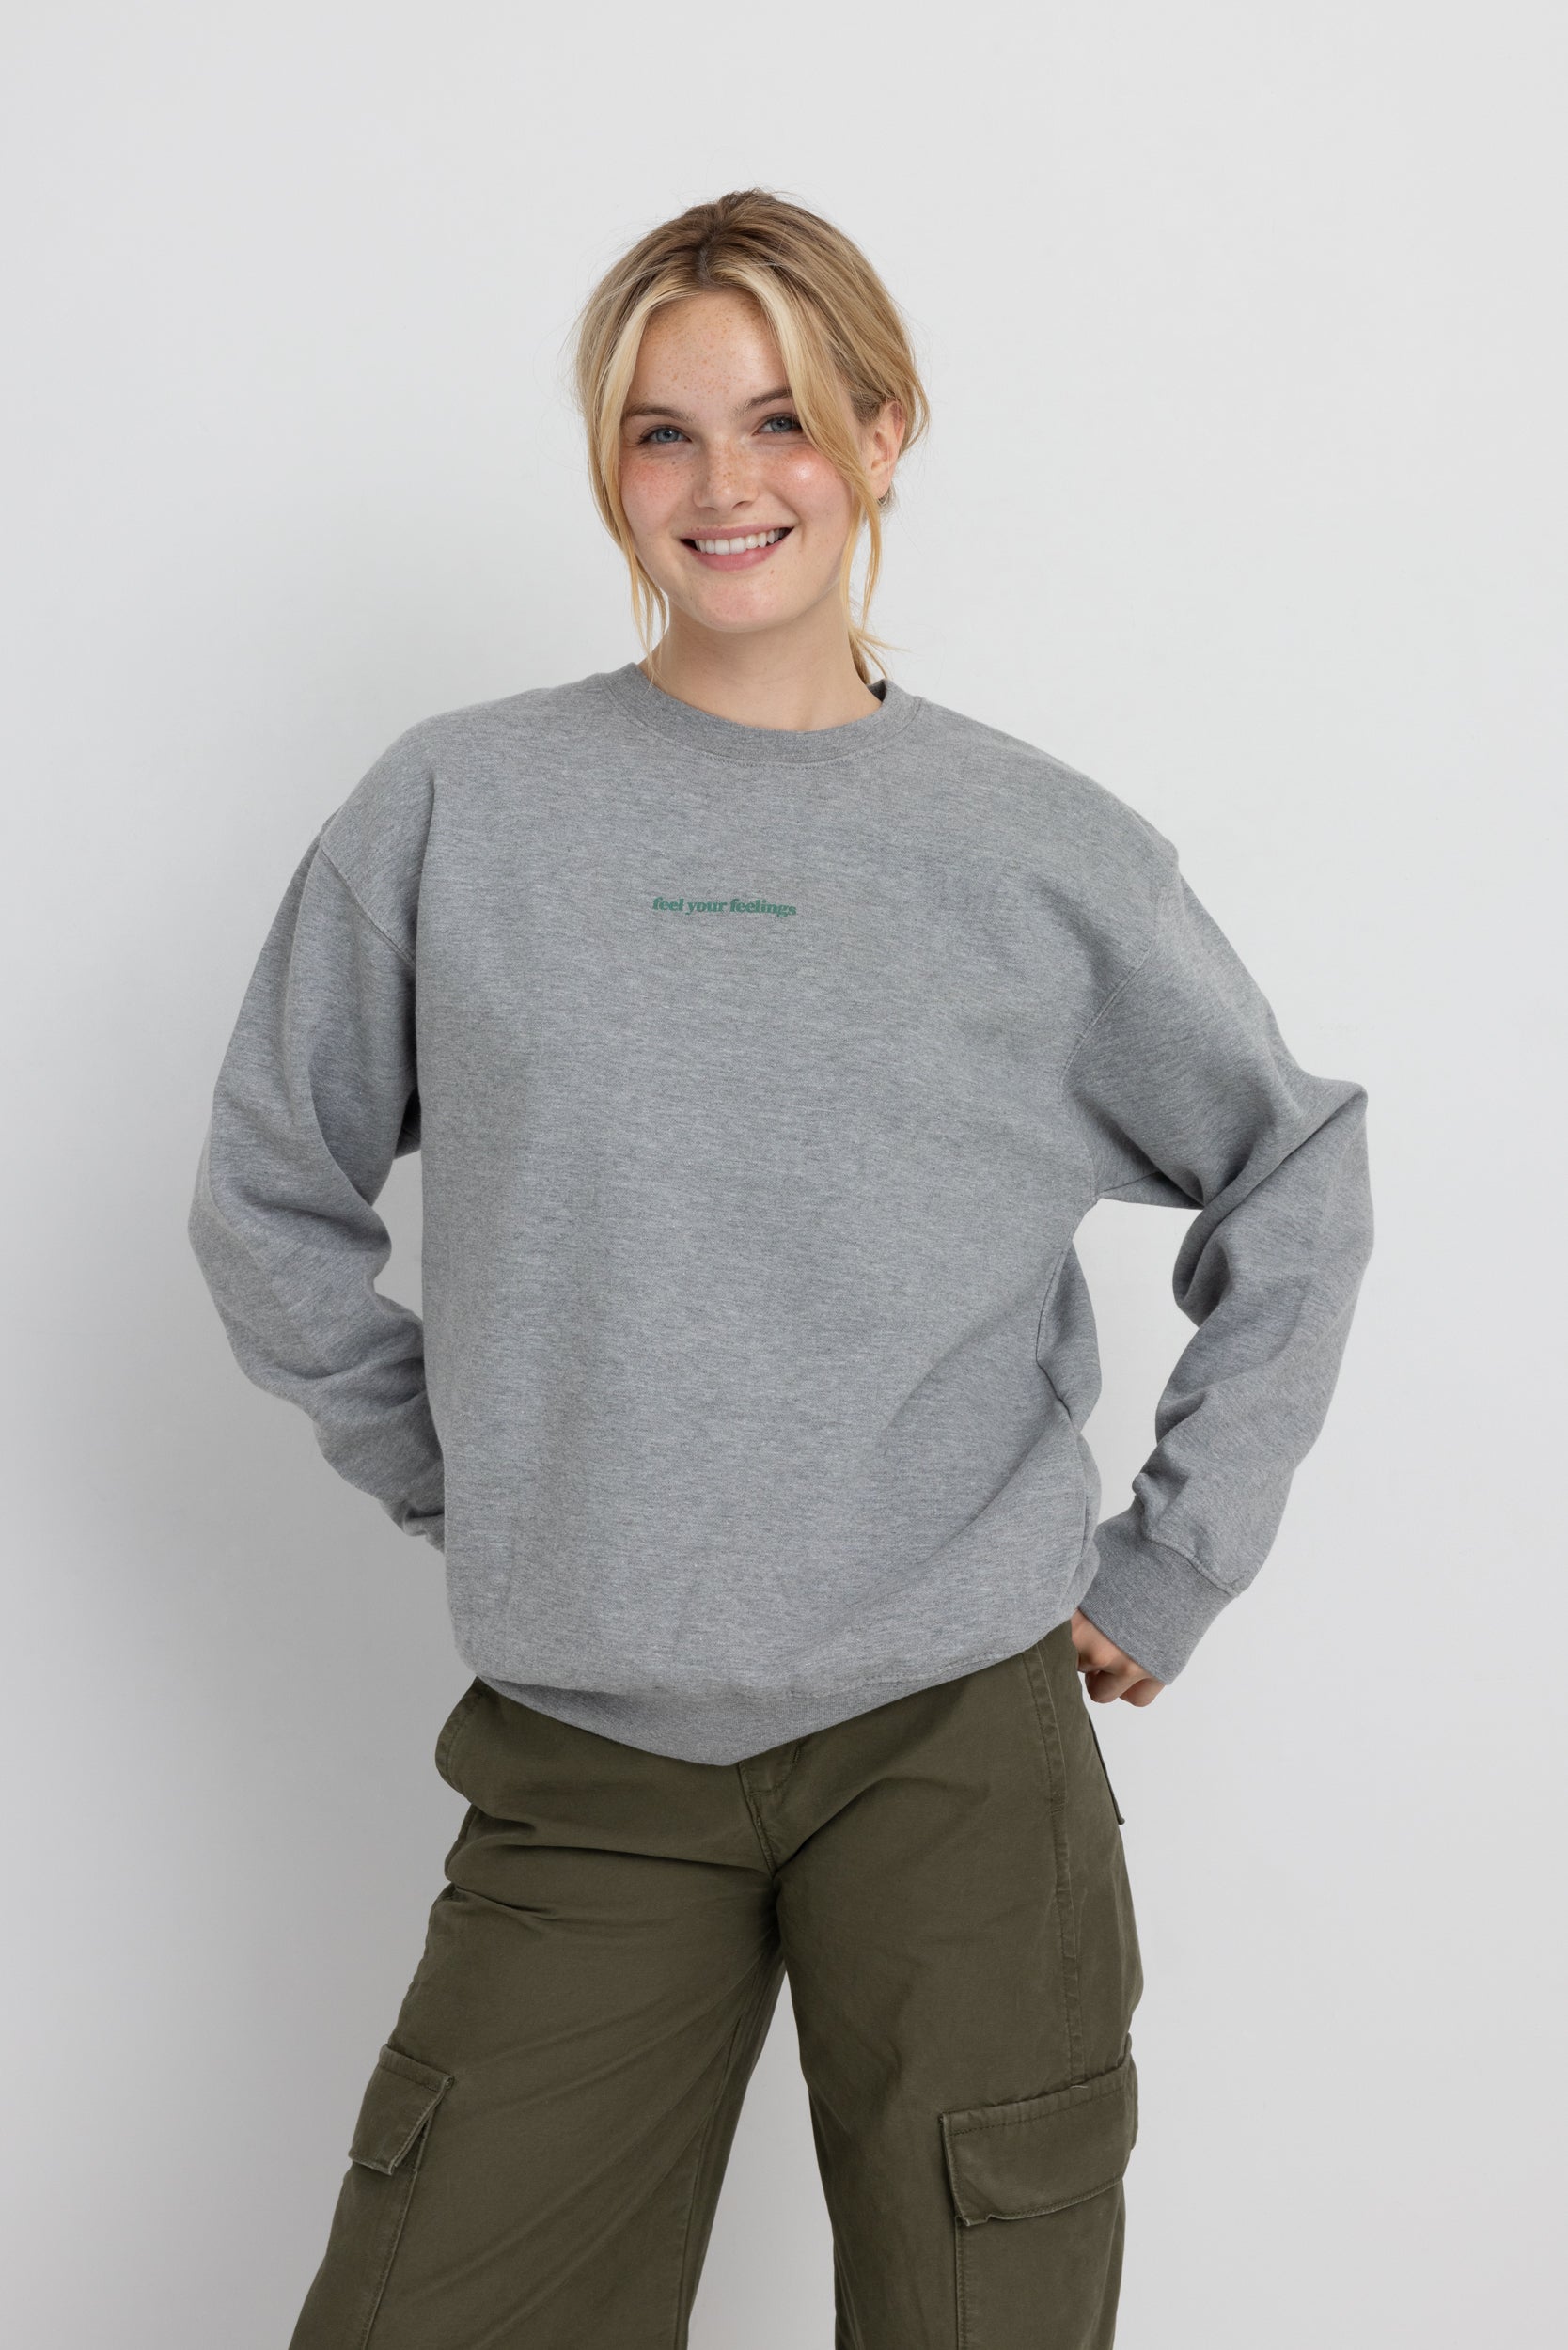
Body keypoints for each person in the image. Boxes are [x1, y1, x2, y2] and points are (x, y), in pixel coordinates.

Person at [188, 188, 1374, 2349]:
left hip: (956, 1739)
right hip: (588, 1756)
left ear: (883, 434)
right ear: (609, 463)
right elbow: (269, 1190)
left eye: (783, 420)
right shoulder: (463, 808)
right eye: (663, 430)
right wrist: (479, 1461)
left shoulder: (1035, 848)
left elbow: (1294, 1167)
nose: (723, 483)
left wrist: (1177, 1553)